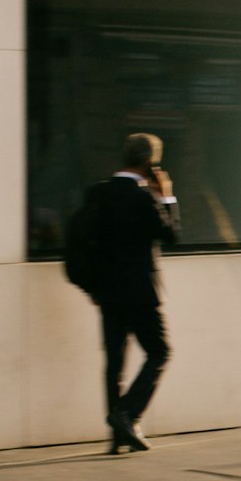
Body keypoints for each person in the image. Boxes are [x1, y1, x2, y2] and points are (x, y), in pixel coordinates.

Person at [87, 133, 180, 454]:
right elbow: (171, 235)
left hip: (107, 294)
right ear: (149, 163)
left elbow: (88, 243)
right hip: (140, 293)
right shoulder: (144, 198)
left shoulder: (98, 193)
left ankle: (117, 437)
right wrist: (166, 196)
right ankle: (126, 415)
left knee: (114, 363)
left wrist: (93, 286)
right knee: (159, 352)